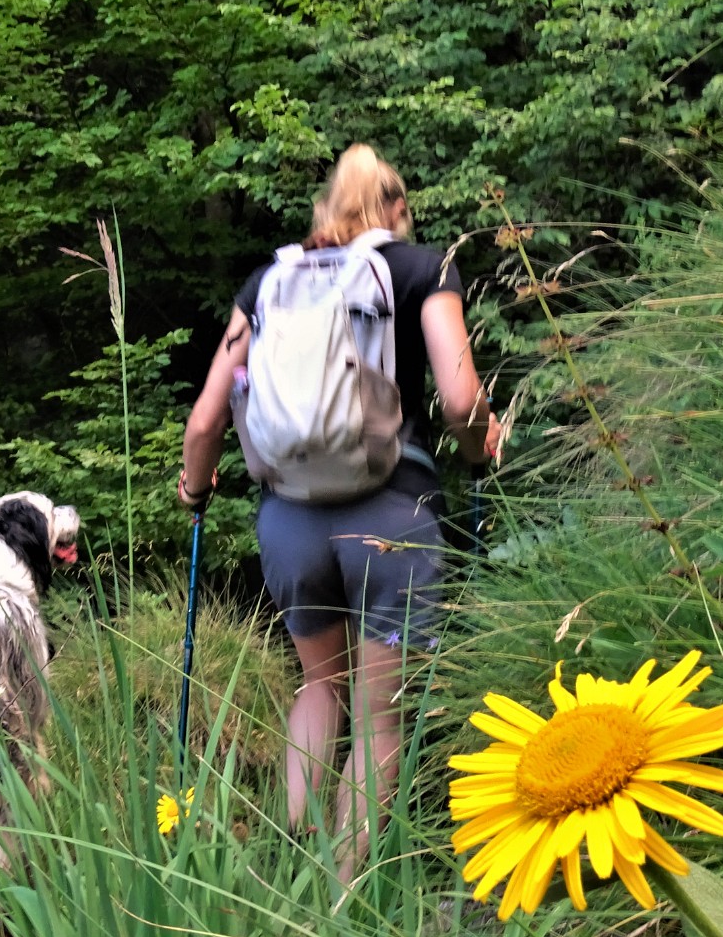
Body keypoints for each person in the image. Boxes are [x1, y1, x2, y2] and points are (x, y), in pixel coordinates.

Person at [179, 144, 499, 883]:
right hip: (391, 512)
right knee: (380, 717)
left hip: (289, 521)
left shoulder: (268, 283)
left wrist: (195, 493)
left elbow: (204, 425)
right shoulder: (422, 267)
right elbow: (458, 400)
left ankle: (280, 873)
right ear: (396, 212)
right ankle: (340, 896)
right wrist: (480, 446)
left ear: (327, 210)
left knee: (319, 688)